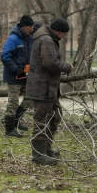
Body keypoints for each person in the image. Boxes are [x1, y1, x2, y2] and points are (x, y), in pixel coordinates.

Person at [26, 17, 73, 165]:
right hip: (42, 87)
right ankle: (39, 156)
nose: (63, 36)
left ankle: (46, 149)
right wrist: (67, 67)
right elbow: (50, 63)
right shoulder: (46, 40)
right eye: (63, 33)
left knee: (55, 116)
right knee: (41, 120)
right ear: (58, 31)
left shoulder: (48, 38)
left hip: (49, 87)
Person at [1, 15, 35, 137]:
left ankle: (16, 120)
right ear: (24, 26)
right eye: (30, 27)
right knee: (13, 102)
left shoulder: (29, 39)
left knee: (30, 97)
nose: (32, 29)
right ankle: (9, 129)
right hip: (14, 76)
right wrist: (16, 69)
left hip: (26, 75)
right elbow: (5, 56)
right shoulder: (13, 39)